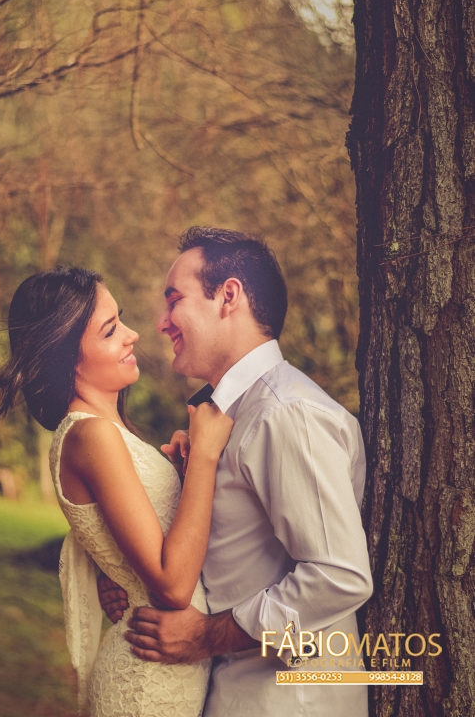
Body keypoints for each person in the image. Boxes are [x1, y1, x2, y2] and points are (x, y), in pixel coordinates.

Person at [99, 227, 374, 717]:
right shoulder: (231, 417)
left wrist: (205, 637)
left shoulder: (286, 414)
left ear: (228, 296)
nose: (161, 323)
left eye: (174, 300)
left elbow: (340, 575)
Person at [0, 265, 233, 716]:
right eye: (111, 329)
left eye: (122, 320)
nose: (133, 334)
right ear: (69, 357)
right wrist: (207, 461)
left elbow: (125, 535)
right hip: (145, 686)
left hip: (164, 671)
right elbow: (173, 586)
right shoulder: (91, 435)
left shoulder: (106, 433)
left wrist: (185, 466)